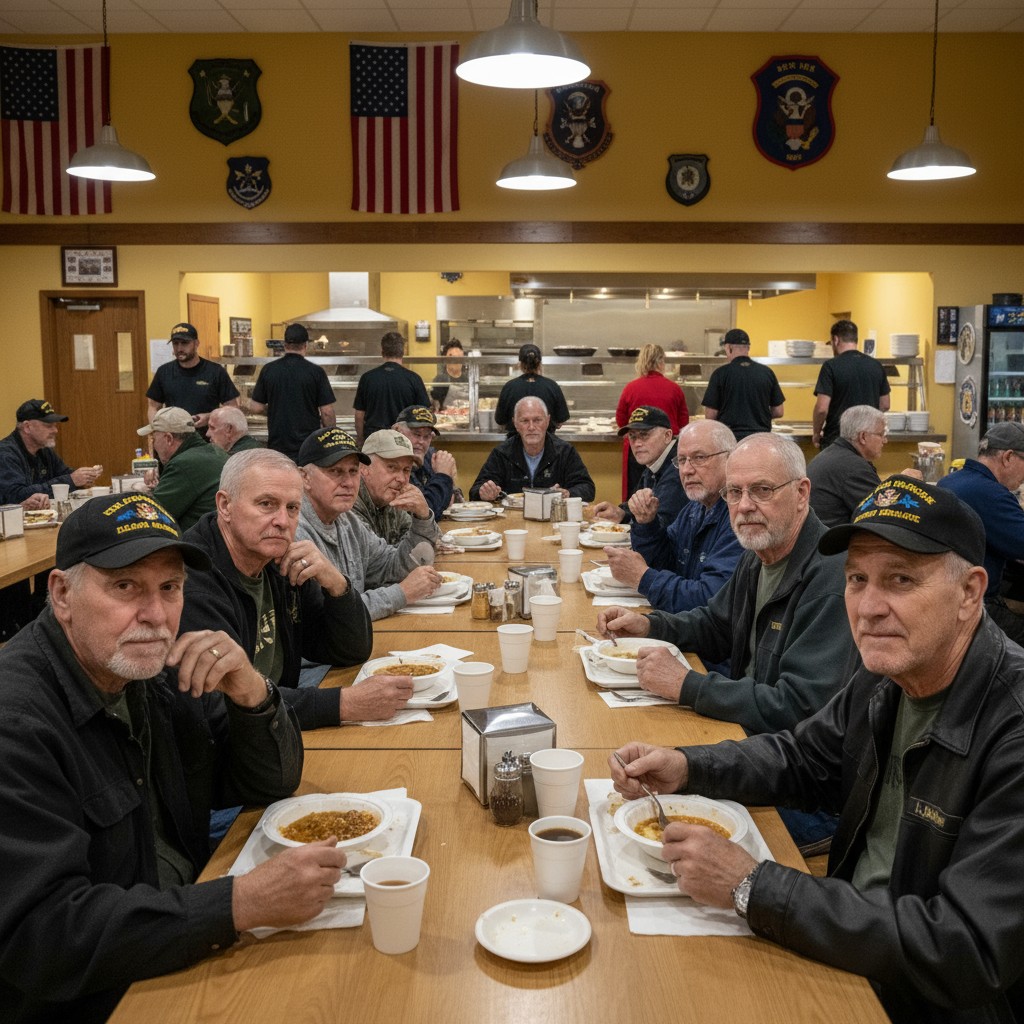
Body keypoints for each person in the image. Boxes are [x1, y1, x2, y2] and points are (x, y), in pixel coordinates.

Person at [609, 477, 1024, 1024]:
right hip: (851, 942)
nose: (869, 608)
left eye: (901, 579)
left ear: (970, 592)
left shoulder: (1011, 727)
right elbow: (802, 758)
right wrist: (687, 764)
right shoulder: (887, 674)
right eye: (856, 579)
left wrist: (753, 885)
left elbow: (965, 946)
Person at [0, 490, 348, 1024]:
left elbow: (268, 784)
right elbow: (43, 935)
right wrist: (238, 903)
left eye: (170, 587)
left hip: (177, 940)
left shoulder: (152, 672)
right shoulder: (18, 722)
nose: (156, 615)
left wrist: (252, 694)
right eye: (125, 586)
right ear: (62, 594)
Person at [596, 432, 857, 736]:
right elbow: (716, 626)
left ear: (801, 493)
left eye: (762, 490)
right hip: (744, 731)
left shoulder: (833, 577)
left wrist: (688, 685)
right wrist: (649, 626)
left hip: (778, 749)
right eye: (734, 492)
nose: (744, 506)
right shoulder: (757, 555)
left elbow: (798, 706)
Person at [178, 449, 408, 729]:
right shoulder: (193, 580)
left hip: (279, 729)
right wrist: (343, 704)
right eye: (266, 504)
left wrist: (337, 584)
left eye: (292, 508)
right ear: (225, 505)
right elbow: (220, 704)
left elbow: (349, 651)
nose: (282, 521)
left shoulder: (281, 562)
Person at [295, 427, 443, 621]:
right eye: (335, 471)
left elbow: (392, 568)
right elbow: (329, 616)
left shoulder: (348, 521)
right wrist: (402, 593)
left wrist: (422, 519)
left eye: (353, 471)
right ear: (304, 477)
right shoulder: (294, 531)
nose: (348, 482)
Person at [605, 420, 742, 627]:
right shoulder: (694, 508)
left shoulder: (740, 516)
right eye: (682, 460)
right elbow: (665, 563)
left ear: (730, 459)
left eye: (699, 458)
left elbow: (710, 603)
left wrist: (642, 577)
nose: (686, 470)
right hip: (683, 628)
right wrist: (646, 524)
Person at [939, 420, 1024, 645]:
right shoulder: (992, 494)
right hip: (978, 605)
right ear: (1008, 457)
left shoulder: (949, 481)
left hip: (948, 595)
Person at [470, 397, 595, 502]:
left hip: (553, 518)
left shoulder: (565, 452)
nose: (531, 427)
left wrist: (568, 494)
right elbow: (475, 490)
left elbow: (587, 488)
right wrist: (484, 493)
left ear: (547, 421)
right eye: (524, 421)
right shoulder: (502, 453)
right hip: (512, 519)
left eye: (537, 420)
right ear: (515, 424)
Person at [247, 322, 336, 461]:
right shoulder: (316, 372)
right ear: (305, 345)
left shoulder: (268, 370)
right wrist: (331, 437)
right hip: (309, 446)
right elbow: (327, 412)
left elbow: (256, 407)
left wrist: (274, 410)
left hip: (278, 446)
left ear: (285, 345)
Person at [590, 405, 688, 531]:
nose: (637, 443)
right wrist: (621, 513)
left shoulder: (678, 468)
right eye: (632, 436)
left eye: (644, 435)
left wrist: (628, 517)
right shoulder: (654, 463)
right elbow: (639, 506)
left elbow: (662, 525)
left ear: (667, 436)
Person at [615, 343, 689, 498]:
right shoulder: (674, 388)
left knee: (635, 497)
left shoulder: (631, 388)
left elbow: (621, 420)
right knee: (666, 495)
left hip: (637, 457)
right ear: (661, 362)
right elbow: (683, 422)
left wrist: (636, 434)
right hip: (668, 452)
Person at [137, 407, 228, 531]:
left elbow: (150, 514)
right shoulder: (217, 452)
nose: (154, 445)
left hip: (196, 539)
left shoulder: (182, 464)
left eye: (154, 439)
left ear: (168, 439)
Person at [0, 398, 102, 507]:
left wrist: (85, 478)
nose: (55, 430)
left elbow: (64, 474)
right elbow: (15, 496)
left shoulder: (44, 450)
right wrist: (71, 480)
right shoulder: (5, 453)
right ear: (27, 427)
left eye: (55, 425)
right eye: (48, 426)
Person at [352, 429, 443, 546]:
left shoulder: (392, 501)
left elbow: (435, 543)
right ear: (364, 468)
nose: (401, 479)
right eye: (392, 467)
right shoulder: (348, 504)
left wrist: (424, 516)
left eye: (406, 470)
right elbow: (377, 556)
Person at [146, 321, 239, 436]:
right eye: (175, 343)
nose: (179, 348)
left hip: (208, 440)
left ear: (196, 343)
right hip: (175, 441)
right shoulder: (164, 372)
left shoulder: (215, 371)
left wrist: (209, 417)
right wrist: (157, 433)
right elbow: (153, 407)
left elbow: (233, 408)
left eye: (185, 343)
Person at [813, 319, 890, 449]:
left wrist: (816, 432)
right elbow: (885, 404)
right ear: (855, 339)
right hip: (866, 440)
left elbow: (822, 409)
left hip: (837, 439)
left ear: (836, 340)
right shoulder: (876, 365)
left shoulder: (830, 366)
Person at [807, 404, 888, 527]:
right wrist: (903, 483)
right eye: (881, 434)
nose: (885, 441)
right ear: (863, 437)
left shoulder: (835, 454)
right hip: (832, 537)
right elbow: (885, 512)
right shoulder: (854, 468)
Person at [700, 328, 785, 440]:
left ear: (728, 348)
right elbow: (779, 411)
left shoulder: (720, 374)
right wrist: (759, 415)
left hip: (730, 439)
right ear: (748, 348)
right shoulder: (767, 372)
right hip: (760, 439)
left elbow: (710, 416)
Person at [352, 331, 430, 446]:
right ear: (403, 352)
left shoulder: (367, 378)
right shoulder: (414, 379)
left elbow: (359, 415)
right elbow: (424, 414)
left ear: (382, 352)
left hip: (374, 439)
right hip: (403, 441)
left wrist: (360, 438)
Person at [393, 405, 459, 519]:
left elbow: (453, 500)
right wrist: (443, 477)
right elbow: (424, 513)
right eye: (416, 434)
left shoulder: (429, 455)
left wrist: (451, 486)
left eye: (427, 436)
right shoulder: (393, 461)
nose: (421, 442)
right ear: (397, 431)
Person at [494, 343, 569, 434]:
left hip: (515, 441)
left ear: (520, 364)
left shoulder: (509, 387)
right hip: (546, 441)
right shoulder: (552, 386)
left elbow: (500, 421)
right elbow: (560, 421)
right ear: (539, 364)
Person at [430, 339, 470, 411]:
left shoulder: (467, 379)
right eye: (452, 357)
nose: (456, 361)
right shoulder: (440, 380)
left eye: (459, 357)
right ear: (445, 360)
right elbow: (435, 407)